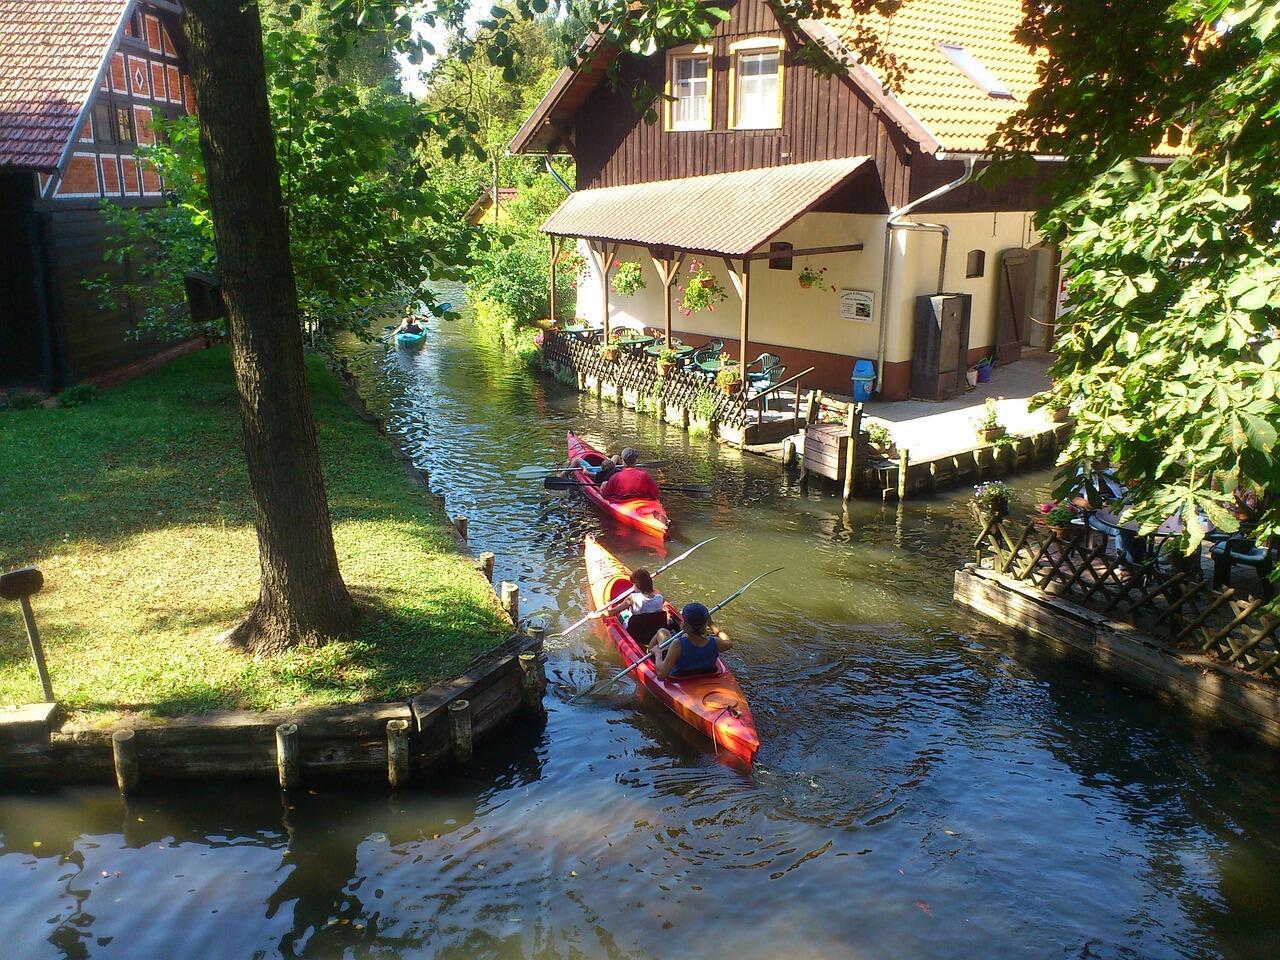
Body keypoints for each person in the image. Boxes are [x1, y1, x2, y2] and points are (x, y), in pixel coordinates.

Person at [648, 602, 731, 679]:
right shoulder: (716, 642)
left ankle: (649, 653)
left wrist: (658, 653)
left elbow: (661, 674)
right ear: (705, 622)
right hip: (705, 674)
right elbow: (729, 643)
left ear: (685, 623)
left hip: (679, 677)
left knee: (662, 632)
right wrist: (712, 624)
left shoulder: (677, 644)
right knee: (667, 633)